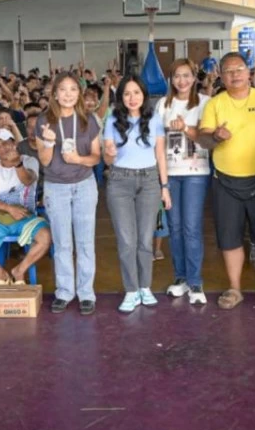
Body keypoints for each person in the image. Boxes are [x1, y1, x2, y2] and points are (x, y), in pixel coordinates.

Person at [198, 53, 255, 311]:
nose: (234, 75)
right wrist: (216, 136)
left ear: (249, 72)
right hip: (225, 183)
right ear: (221, 77)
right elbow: (203, 140)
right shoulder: (215, 103)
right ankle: (235, 288)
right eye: (228, 71)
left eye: (239, 69)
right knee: (229, 239)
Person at [102, 76, 170, 313]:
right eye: (127, 93)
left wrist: (165, 187)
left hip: (150, 180)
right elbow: (107, 158)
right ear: (120, 97)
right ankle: (131, 289)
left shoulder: (154, 119)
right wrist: (109, 153)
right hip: (120, 181)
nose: (132, 98)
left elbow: (161, 155)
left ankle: (145, 287)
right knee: (126, 240)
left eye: (137, 93)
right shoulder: (112, 120)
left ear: (144, 95)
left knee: (144, 239)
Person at [36, 73, 102, 314]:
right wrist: (48, 142)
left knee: (85, 242)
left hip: (84, 185)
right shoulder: (45, 120)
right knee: (63, 243)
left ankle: (86, 293)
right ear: (55, 93)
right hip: (56, 186)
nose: (68, 94)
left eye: (73, 89)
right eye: (63, 89)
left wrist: (78, 159)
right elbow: (44, 161)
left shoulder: (88, 120)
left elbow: (96, 157)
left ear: (79, 93)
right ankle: (64, 291)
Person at [155, 59, 210, 304]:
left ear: (194, 76)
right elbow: (157, 144)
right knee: (175, 228)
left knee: (191, 228)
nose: (182, 80)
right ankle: (180, 278)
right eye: (177, 75)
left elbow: (209, 140)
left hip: (196, 173)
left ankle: (196, 282)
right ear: (171, 78)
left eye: (186, 75)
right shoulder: (162, 105)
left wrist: (187, 129)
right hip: (171, 174)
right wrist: (162, 181)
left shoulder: (206, 103)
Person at [0, 129, 52, 285]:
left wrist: (17, 164)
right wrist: (9, 209)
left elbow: (28, 180)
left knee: (45, 237)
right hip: (0, 218)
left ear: (14, 143)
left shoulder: (29, 161)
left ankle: (19, 270)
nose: (3, 148)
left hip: (26, 217)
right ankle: (1, 274)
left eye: (6, 143)